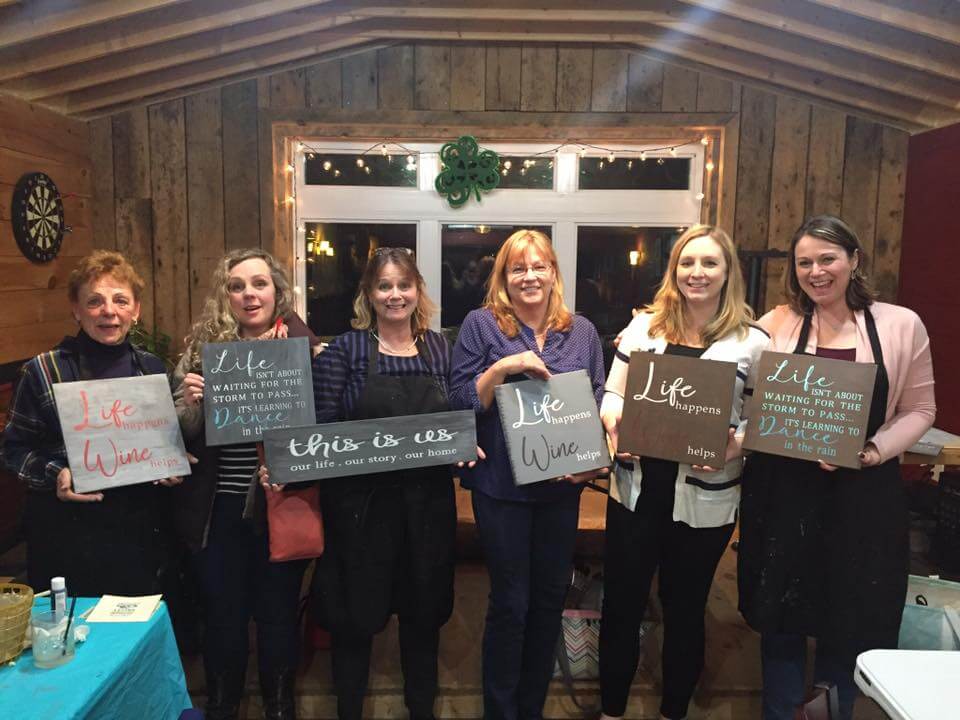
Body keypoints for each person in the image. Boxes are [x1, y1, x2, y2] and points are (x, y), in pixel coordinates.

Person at [736, 215, 936, 720]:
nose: (816, 272)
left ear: (854, 260)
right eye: (804, 262)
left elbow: (920, 410)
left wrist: (872, 451)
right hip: (784, 494)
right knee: (781, 620)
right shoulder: (776, 323)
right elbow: (732, 376)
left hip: (861, 497)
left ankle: (834, 711)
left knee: (849, 620)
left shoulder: (901, 325)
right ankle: (781, 713)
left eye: (827, 259)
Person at [598, 225, 768, 720]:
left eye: (710, 263)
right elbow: (613, 393)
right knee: (622, 606)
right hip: (635, 491)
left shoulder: (753, 342)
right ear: (674, 270)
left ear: (728, 272)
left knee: (686, 609)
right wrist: (615, 427)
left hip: (705, 498)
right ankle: (611, 711)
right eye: (687, 263)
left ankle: (673, 711)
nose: (697, 272)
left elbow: (763, 418)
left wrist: (732, 448)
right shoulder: (644, 328)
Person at [306, 247, 475, 720]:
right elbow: (321, 428)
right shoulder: (346, 350)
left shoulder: (439, 348)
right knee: (353, 620)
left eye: (404, 285)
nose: (394, 295)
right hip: (360, 511)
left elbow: (456, 417)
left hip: (427, 510)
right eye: (384, 286)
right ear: (369, 293)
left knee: (423, 617)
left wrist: (465, 445)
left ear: (418, 290)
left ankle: (421, 710)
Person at [449, 229, 607, 720]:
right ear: (503, 277)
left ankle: (531, 708)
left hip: (561, 490)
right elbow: (460, 400)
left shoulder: (581, 331)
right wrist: (503, 368)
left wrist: (590, 460)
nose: (529, 276)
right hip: (501, 488)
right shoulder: (481, 325)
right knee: (511, 603)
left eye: (539, 266)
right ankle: (501, 710)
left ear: (554, 273)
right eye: (518, 268)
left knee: (548, 602)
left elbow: (597, 399)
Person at [172, 248, 311, 720]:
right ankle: (222, 704)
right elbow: (177, 436)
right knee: (223, 613)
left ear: (277, 292)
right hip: (217, 509)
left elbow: (321, 432)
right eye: (237, 286)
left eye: (259, 284)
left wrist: (290, 466)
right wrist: (190, 403)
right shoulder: (200, 353)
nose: (249, 294)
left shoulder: (303, 348)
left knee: (278, 612)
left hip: (279, 504)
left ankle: (279, 706)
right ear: (225, 295)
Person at [1, 250, 183, 596]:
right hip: (67, 531)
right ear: (76, 309)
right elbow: (13, 450)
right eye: (95, 301)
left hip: (139, 529)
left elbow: (164, 440)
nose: (109, 311)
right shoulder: (43, 371)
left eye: (120, 300)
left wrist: (172, 461)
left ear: (135, 310)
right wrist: (56, 473)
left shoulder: (152, 368)